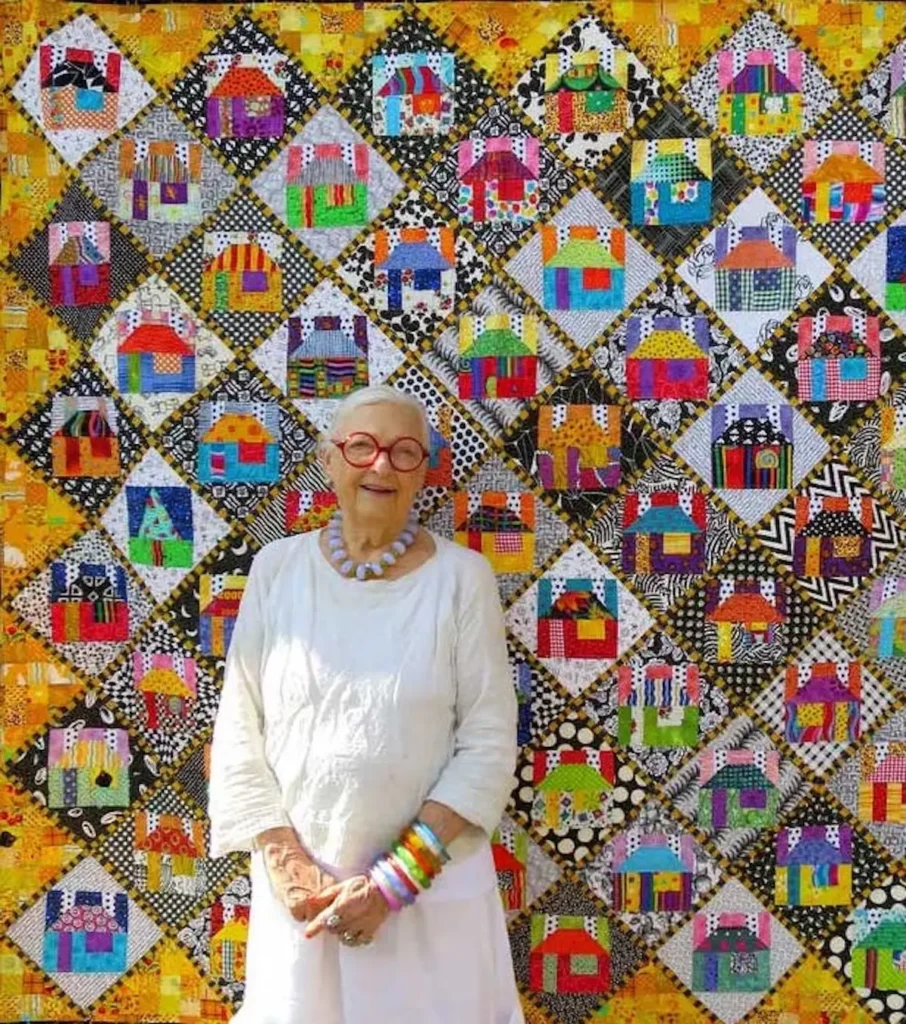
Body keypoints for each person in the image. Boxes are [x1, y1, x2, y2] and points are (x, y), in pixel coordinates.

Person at [208, 384, 524, 1023]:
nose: (381, 465)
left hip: (430, 897)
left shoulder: (462, 580)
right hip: (306, 901)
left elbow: (489, 744)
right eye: (362, 447)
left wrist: (393, 883)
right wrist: (286, 862)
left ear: (425, 474)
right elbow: (238, 729)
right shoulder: (277, 570)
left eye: (405, 452)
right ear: (330, 460)